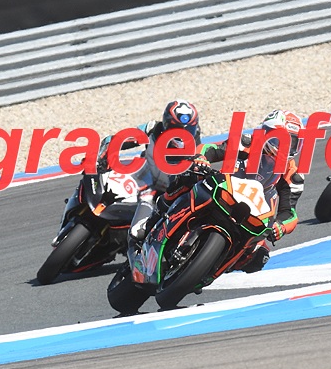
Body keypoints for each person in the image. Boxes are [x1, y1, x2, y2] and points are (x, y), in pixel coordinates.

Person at [199, 109, 306, 273]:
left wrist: (281, 226)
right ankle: (162, 209)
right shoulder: (247, 143)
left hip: (254, 212)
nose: (285, 146)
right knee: (188, 177)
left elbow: (290, 213)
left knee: (259, 256)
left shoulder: (292, 174)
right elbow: (211, 149)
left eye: (292, 142)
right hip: (222, 191)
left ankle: (211, 269)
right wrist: (201, 159)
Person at [97, 99, 202, 259]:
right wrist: (108, 148)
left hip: (164, 193)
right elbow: (125, 138)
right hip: (143, 176)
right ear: (166, 123)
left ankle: (135, 259)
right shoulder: (153, 127)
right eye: (177, 129)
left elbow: (202, 163)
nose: (182, 134)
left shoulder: (196, 144)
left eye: (189, 128)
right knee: (104, 180)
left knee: (138, 230)